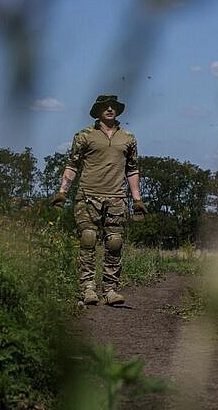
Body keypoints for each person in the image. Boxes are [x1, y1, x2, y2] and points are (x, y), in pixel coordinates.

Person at [51, 93, 142, 306]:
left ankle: (110, 290)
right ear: (98, 110)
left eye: (113, 106)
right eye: (105, 106)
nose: (109, 109)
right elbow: (72, 164)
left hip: (116, 198)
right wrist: (62, 192)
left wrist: (137, 200)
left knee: (114, 242)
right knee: (88, 239)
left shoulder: (128, 138)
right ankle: (88, 288)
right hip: (87, 196)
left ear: (117, 110)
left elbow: (132, 169)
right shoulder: (84, 135)